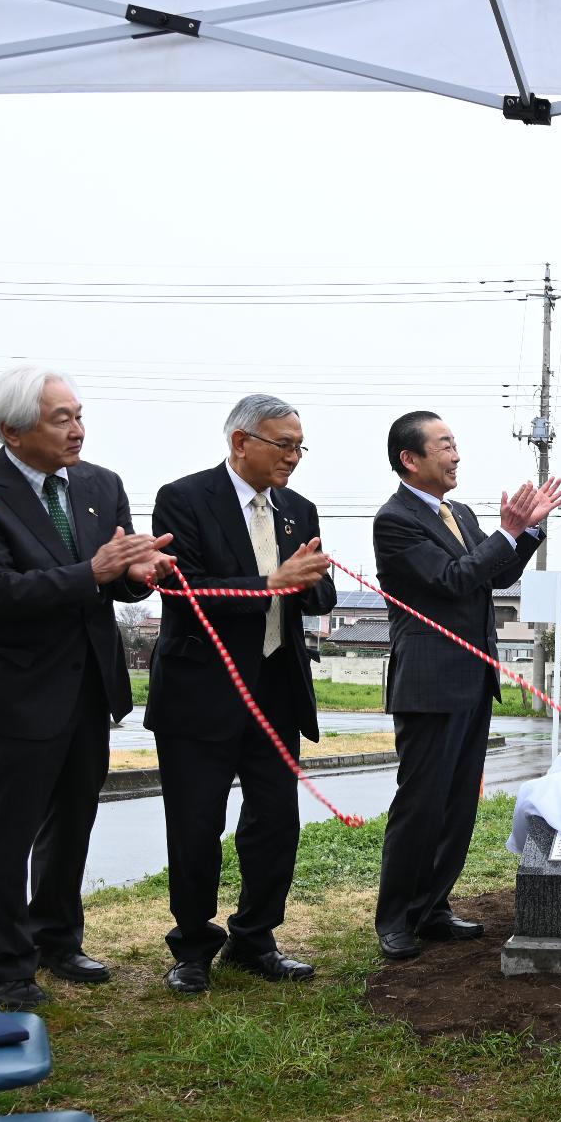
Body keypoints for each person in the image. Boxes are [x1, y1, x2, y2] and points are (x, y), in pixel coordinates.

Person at [0, 366, 174, 1011]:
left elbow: (118, 583)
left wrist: (140, 572)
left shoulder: (101, 485)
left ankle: (57, 938)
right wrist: (93, 570)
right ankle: (0, 963)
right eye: (61, 419)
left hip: (91, 684)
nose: (77, 429)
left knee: (73, 822)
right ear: (14, 430)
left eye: (78, 414)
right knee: (7, 831)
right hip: (22, 689)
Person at [146, 394, 336, 996]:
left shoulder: (298, 510)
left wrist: (311, 583)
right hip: (201, 689)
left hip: (278, 686)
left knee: (276, 821)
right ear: (240, 442)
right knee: (197, 823)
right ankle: (193, 947)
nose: (295, 458)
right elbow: (184, 591)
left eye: (300, 446)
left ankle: (257, 937)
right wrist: (267, 583)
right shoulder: (182, 499)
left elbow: (320, 597)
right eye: (284, 445)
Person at [372, 412, 561, 960]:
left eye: (456, 444)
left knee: (457, 806)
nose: (456, 456)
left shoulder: (456, 512)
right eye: (445, 445)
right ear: (410, 459)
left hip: (473, 678)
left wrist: (525, 532)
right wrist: (505, 531)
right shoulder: (396, 520)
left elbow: (496, 574)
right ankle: (396, 919)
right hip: (429, 682)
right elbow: (453, 579)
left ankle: (433, 908)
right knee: (421, 805)